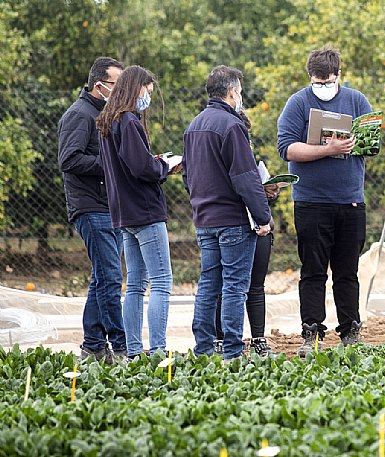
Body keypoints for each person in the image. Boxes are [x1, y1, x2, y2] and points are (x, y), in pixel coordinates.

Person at [277, 46, 372, 357]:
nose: (323, 87)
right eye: (318, 82)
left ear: (338, 75)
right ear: (310, 78)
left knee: (348, 271)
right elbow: (288, 149)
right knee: (314, 270)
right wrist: (327, 150)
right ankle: (312, 332)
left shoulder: (357, 100)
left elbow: (372, 145)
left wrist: (357, 143)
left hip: (350, 202)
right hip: (311, 202)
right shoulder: (298, 103)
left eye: (328, 81)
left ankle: (350, 330)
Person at [183, 65, 271, 361]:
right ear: (232, 92)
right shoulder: (232, 126)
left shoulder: (193, 125)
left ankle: (204, 348)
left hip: (205, 219)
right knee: (235, 285)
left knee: (208, 283)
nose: (241, 96)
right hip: (233, 220)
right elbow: (246, 177)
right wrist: (263, 217)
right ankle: (233, 351)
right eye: (240, 91)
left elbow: (188, 176)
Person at [96, 65, 176, 358]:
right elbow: (142, 167)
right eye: (147, 91)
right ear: (135, 89)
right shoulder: (128, 122)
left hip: (124, 213)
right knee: (162, 281)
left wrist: (153, 162)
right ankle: (157, 351)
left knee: (135, 286)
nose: (148, 97)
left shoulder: (107, 122)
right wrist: (165, 166)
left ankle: (132, 351)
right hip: (144, 212)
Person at [58, 56, 126, 363]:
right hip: (90, 207)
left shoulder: (106, 114)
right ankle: (121, 346)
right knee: (110, 277)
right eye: (118, 84)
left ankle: (93, 346)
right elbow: (68, 160)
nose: (123, 90)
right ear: (99, 85)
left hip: (109, 207)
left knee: (102, 277)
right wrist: (110, 166)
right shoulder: (80, 114)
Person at [212, 110, 279, 358]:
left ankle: (259, 339)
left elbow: (255, 191)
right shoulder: (217, 154)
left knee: (256, 285)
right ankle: (223, 340)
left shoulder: (249, 155)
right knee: (226, 285)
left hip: (258, 225)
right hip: (232, 224)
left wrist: (269, 194)